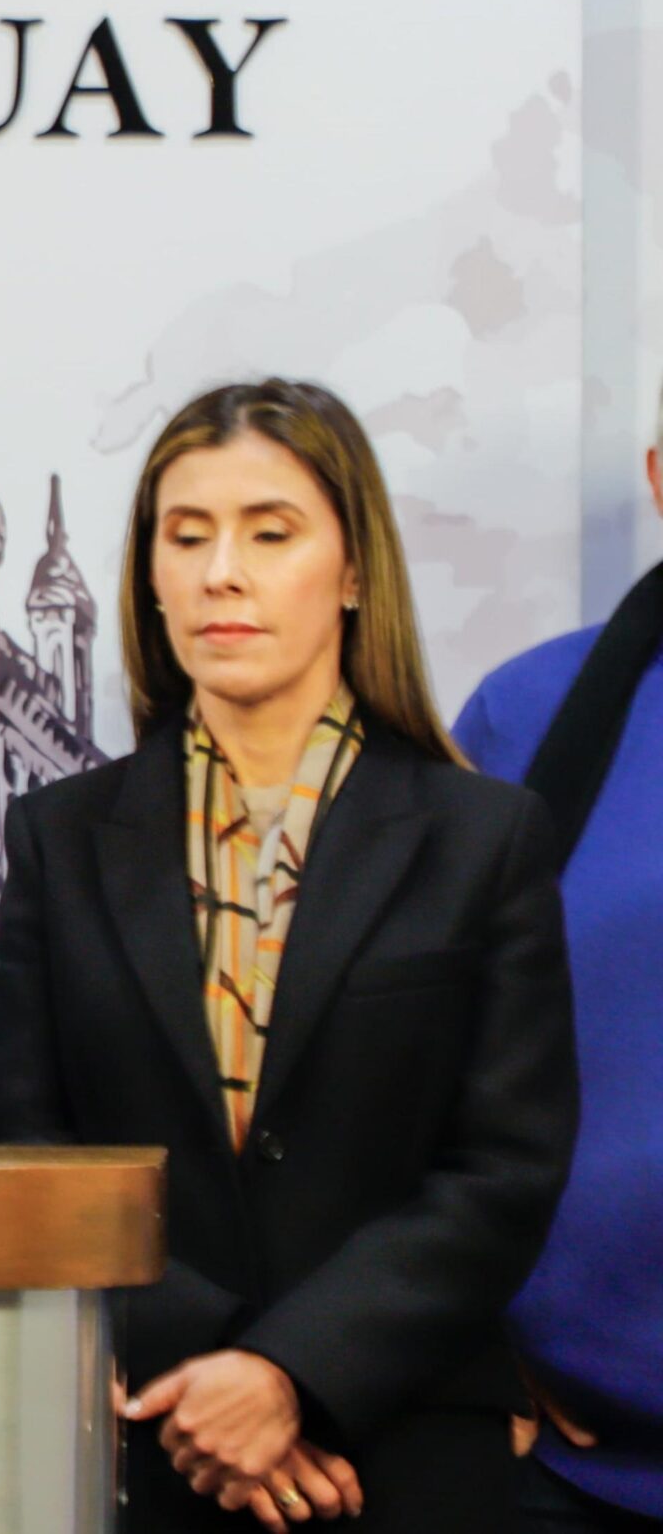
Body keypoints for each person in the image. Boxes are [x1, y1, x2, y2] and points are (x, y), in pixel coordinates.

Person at [0, 378, 576, 1532]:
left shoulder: (479, 836)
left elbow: (503, 1171)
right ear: (149, 573)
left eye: (269, 532)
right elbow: (24, 1148)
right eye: (184, 535)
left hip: (399, 1445)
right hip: (151, 1437)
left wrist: (294, 1372)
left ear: (353, 572)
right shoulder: (61, 835)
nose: (220, 573)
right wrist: (212, 1372)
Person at [455, 418, 663, 1532]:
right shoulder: (524, 715)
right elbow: (404, 1044)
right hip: (570, 1469)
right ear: (656, 476)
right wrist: (468, 1324)